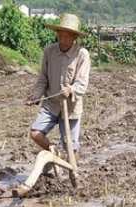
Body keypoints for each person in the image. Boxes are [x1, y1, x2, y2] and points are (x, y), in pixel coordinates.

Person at [26, 13, 91, 175]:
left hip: (70, 107)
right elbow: (43, 78)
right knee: (36, 133)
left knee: (71, 145)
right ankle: (52, 152)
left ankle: (72, 173)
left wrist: (70, 89)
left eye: (66, 35)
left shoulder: (82, 54)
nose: (62, 39)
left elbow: (82, 83)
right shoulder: (49, 52)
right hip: (51, 104)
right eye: (59, 34)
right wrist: (36, 95)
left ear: (74, 37)